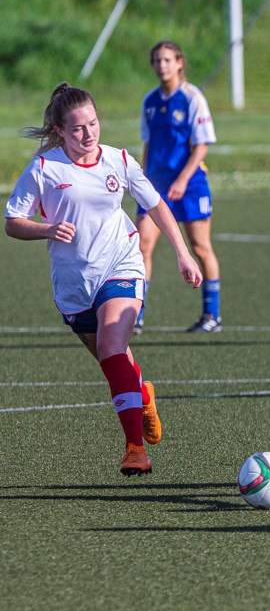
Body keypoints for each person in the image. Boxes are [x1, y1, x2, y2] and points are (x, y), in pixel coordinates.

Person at [4, 83, 203, 476]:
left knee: (113, 344)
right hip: (74, 285)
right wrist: (45, 229)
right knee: (114, 361)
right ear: (59, 130)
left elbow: (156, 205)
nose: (89, 133)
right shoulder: (45, 168)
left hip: (122, 264)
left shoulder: (119, 160)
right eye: (78, 128)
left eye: (93, 123)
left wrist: (183, 252)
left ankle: (135, 451)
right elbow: (12, 222)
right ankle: (143, 394)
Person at [136, 40, 221, 334]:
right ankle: (136, 315)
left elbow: (201, 146)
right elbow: (148, 144)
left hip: (191, 185)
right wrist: (142, 179)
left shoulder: (191, 97)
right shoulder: (150, 101)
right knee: (141, 246)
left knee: (199, 247)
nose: (162, 66)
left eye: (167, 60)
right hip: (156, 187)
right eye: (157, 60)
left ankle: (212, 315)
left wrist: (183, 180)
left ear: (180, 63)